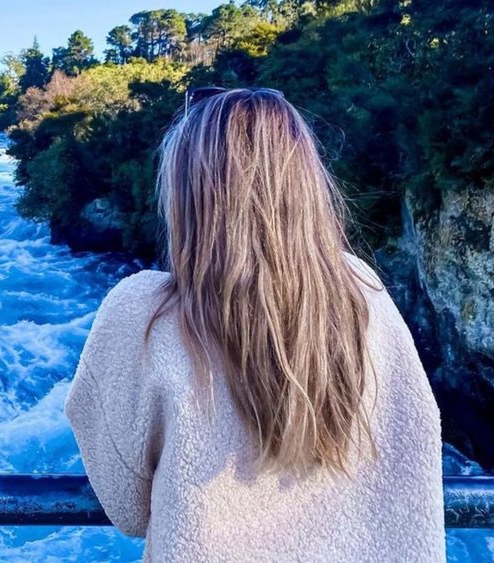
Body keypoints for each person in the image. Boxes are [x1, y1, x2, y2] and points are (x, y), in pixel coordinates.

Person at [64, 87, 444, 562]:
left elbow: (127, 506)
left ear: (188, 194)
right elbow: (413, 443)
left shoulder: (144, 313)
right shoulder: (362, 293)